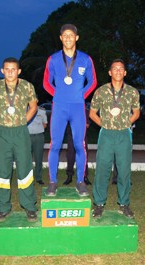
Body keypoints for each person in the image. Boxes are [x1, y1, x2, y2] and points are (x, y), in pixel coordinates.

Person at [43, 23, 97, 197]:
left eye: (71, 35)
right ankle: (52, 182)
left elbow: (93, 82)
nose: (68, 38)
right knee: (55, 145)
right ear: (60, 38)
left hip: (77, 108)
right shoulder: (53, 59)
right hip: (59, 107)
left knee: (79, 145)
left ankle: (81, 182)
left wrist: (81, 95)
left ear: (76, 38)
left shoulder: (85, 59)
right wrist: (57, 95)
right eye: (65, 35)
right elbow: (46, 83)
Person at [0, 57, 38, 222]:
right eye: (7, 69)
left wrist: (24, 120)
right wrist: (1, 121)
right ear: (2, 71)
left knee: (25, 169)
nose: (10, 72)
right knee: (1, 171)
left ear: (19, 71)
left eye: (13, 69)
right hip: (2, 132)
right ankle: (3, 207)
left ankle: (29, 207)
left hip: (20, 132)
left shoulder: (27, 86)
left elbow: (34, 106)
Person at [89, 59, 140, 219]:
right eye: (115, 69)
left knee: (124, 170)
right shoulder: (101, 91)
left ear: (125, 73)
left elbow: (137, 112)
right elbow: (92, 113)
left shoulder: (132, 92)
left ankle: (124, 204)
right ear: (110, 72)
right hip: (106, 135)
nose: (118, 71)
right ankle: (98, 204)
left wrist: (127, 123)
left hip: (124, 134)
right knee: (102, 170)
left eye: (121, 69)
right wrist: (103, 124)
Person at [64, 111, 92, 185]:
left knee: (84, 156)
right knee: (70, 157)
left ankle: (85, 177)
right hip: (71, 136)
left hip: (82, 137)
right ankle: (69, 176)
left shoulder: (84, 110)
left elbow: (87, 125)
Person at [27, 104, 48, 185]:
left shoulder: (42, 111)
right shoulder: (24, 109)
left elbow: (45, 124)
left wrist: (39, 128)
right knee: (27, 158)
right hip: (27, 136)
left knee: (38, 158)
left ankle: (38, 177)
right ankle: (28, 178)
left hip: (39, 137)